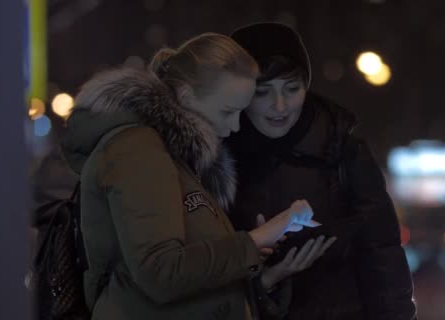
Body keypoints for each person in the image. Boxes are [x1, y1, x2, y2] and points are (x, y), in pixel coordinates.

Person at [61, 32, 318, 320]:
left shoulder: (174, 156)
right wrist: (253, 241)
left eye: (240, 113)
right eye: (227, 112)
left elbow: (191, 277)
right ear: (186, 95)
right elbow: (161, 273)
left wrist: (262, 272)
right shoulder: (137, 150)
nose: (234, 127)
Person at [226, 23, 417, 319]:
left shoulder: (342, 151)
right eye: (262, 92)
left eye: (292, 89)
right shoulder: (217, 158)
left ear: (307, 86)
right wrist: (260, 271)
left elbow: (382, 255)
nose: (280, 106)